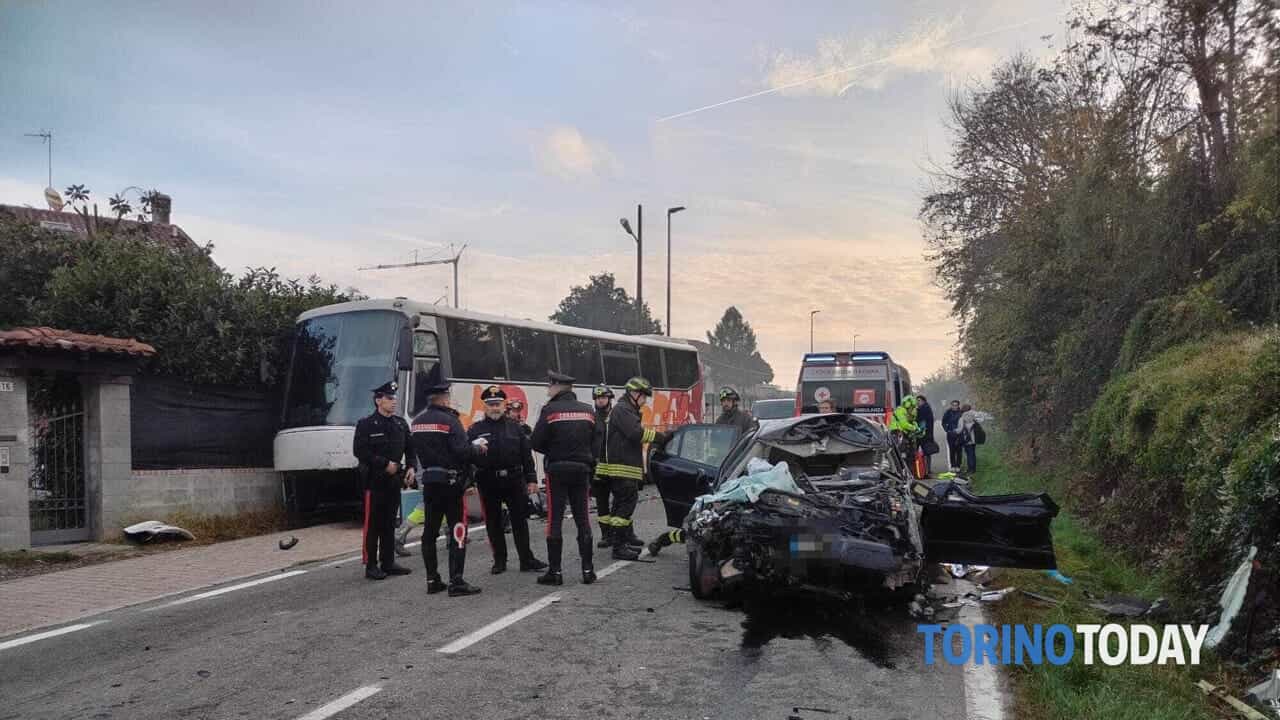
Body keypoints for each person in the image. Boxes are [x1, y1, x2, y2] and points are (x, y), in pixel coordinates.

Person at [410, 381, 488, 597]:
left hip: (429, 483)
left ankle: (432, 579)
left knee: (430, 532)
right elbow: (462, 451)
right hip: (451, 484)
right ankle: (457, 581)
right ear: (443, 399)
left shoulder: (417, 422)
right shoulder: (450, 420)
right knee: (457, 530)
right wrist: (478, 449)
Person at [468, 386, 547, 575]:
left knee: (520, 521)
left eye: (498, 404)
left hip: (514, 479)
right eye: (490, 405)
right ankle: (500, 561)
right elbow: (467, 458)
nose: (495, 408)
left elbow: (526, 456)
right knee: (494, 523)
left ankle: (526, 560)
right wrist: (469, 483)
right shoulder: (475, 430)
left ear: (504, 405)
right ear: (485, 407)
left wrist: (532, 480)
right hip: (488, 481)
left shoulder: (515, 428)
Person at [530, 371, 599, 585]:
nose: (547, 390)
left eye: (549, 386)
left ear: (557, 387)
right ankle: (588, 571)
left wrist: (554, 450)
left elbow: (536, 441)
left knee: (555, 520)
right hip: (582, 470)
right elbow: (597, 440)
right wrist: (588, 458)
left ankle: (556, 572)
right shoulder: (588, 411)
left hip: (557, 470)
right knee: (583, 519)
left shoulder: (549, 410)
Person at [598, 376, 670, 561]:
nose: (645, 401)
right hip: (623, 467)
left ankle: (620, 540)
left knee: (621, 505)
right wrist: (661, 437)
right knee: (625, 505)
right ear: (635, 393)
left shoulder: (626, 409)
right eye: (644, 396)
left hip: (623, 467)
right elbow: (635, 433)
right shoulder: (623, 410)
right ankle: (619, 546)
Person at [353, 380, 417, 580]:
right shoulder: (366, 424)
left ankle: (388, 562)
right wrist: (383, 463)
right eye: (389, 398)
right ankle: (371, 565)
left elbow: (410, 447)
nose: (393, 402)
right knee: (374, 524)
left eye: (394, 398)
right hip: (375, 481)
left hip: (394, 481)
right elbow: (360, 451)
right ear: (378, 400)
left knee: (390, 523)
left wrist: (412, 467)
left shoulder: (399, 423)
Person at [590, 385, 617, 549]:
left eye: (603, 397)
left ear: (609, 398)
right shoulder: (591, 418)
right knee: (602, 503)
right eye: (598, 398)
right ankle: (606, 535)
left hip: (616, 467)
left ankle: (622, 533)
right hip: (598, 469)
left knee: (621, 501)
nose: (600, 400)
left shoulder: (617, 416)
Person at [916, 394, 936, 474]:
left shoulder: (924, 408)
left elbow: (919, 418)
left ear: (923, 401)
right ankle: (926, 469)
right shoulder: (926, 407)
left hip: (924, 434)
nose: (917, 402)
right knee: (927, 452)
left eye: (919, 401)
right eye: (917, 401)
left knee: (926, 451)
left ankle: (925, 469)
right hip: (926, 434)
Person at [941, 400, 963, 470]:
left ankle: (958, 465)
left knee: (959, 450)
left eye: (956, 405)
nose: (954, 406)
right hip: (950, 434)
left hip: (959, 434)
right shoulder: (948, 412)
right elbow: (943, 422)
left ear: (958, 406)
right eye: (953, 405)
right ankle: (953, 465)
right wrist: (947, 430)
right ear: (951, 405)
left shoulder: (961, 413)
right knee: (952, 450)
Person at [959, 403, 979, 473]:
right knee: (972, 453)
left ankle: (970, 469)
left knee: (969, 454)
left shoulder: (962, 418)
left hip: (966, 439)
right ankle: (973, 469)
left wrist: (954, 431)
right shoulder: (974, 417)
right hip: (974, 439)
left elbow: (960, 429)